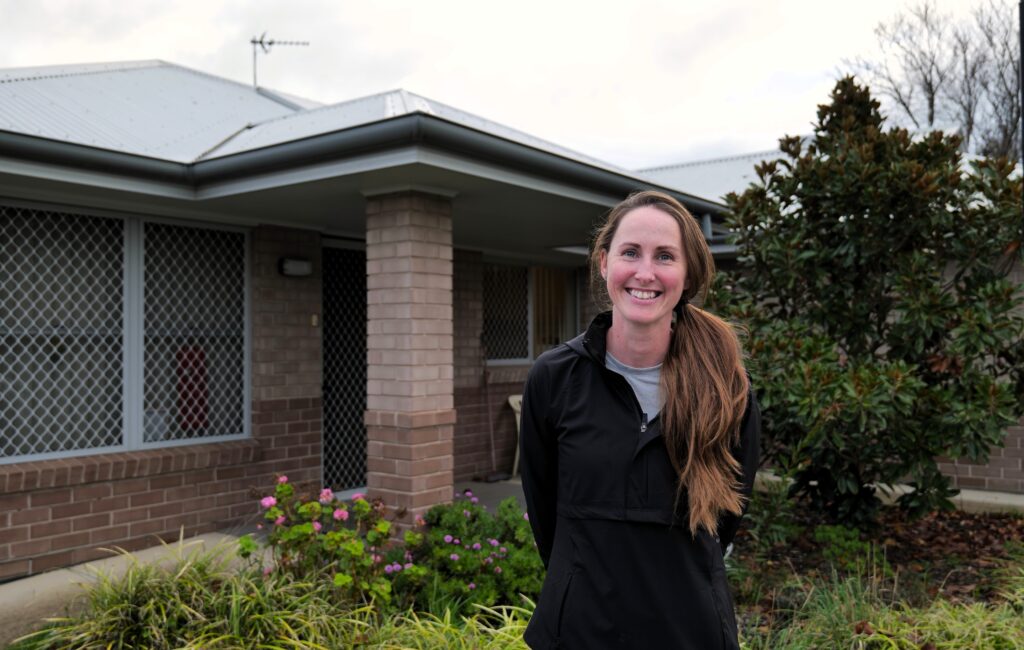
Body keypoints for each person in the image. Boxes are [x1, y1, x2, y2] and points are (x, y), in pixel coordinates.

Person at [519, 190, 760, 649]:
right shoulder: (553, 378)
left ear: (687, 276)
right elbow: (546, 514)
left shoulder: (728, 389)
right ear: (605, 262)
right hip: (577, 633)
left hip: (690, 633)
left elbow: (728, 518)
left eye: (665, 256)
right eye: (631, 252)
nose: (645, 272)